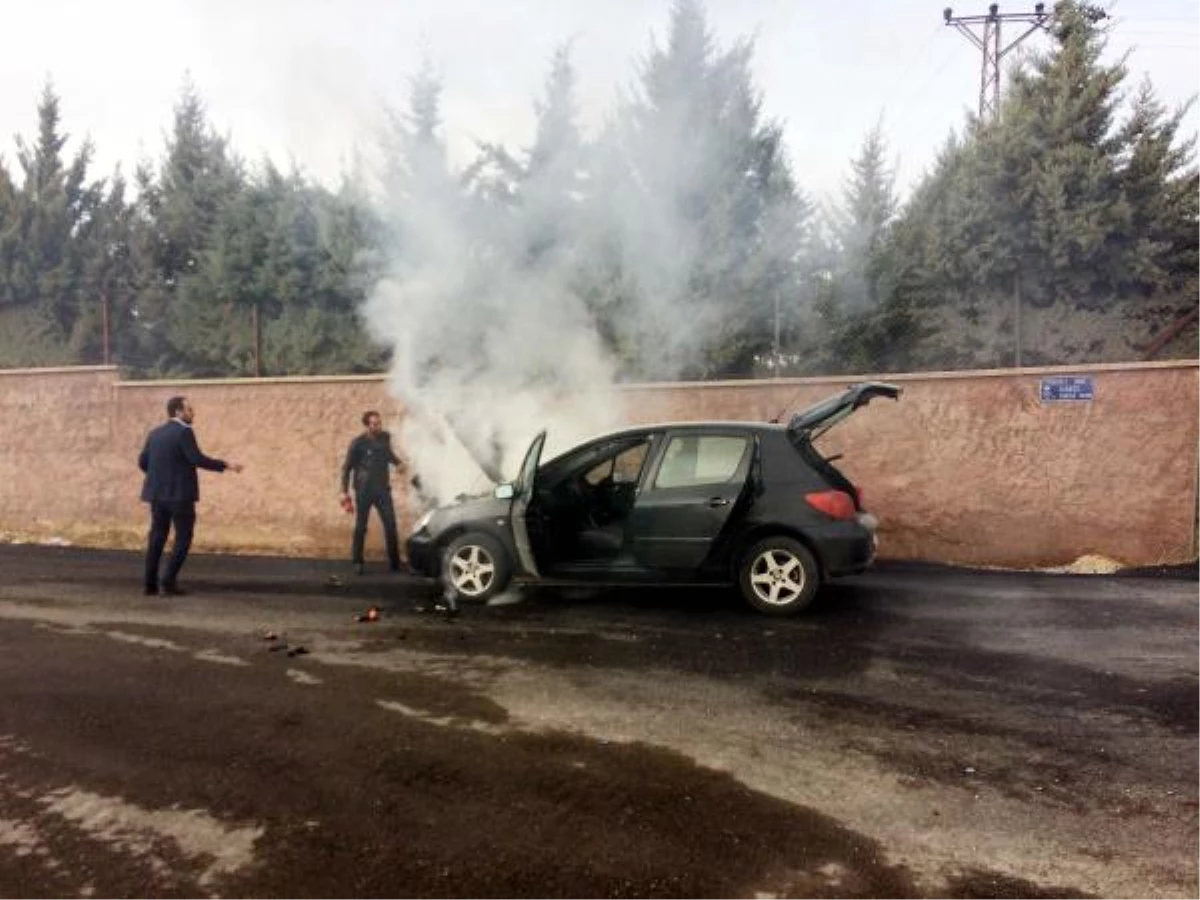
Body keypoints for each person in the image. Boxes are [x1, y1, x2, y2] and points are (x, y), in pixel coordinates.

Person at [138, 396, 243, 596]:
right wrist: (226, 465)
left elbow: (143, 462)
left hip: (157, 494)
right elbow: (196, 459)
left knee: (157, 537)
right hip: (180, 496)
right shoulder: (184, 432)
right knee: (183, 537)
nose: (193, 413)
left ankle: (149, 585)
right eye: (189, 410)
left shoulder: (155, 434)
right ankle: (168, 582)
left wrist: (160, 475)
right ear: (178, 412)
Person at [341, 410, 404, 574]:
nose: (377, 426)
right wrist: (344, 492)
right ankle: (357, 562)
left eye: (379, 423)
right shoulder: (358, 443)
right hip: (364, 490)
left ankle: (395, 564)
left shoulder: (385, 437)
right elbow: (347, 468)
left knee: (390, 524)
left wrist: (398, 463)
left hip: (383, 490)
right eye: (374, 424)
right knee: (361, 527)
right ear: (367, 425)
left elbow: (387, 454)